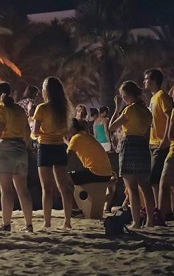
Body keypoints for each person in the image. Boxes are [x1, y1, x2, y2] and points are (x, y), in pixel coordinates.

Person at [0, 82, 33, 232]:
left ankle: (6, 224)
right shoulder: (20, 109)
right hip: (20, 148)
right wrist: (23, 146)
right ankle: (29, 224)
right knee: (23, 190)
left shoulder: (0, 108)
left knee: (6, 190)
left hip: (5, 148)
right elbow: (28, 132)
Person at [109, 81, 155, 228]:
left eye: (123, 96)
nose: (122, 99)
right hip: (142, 146)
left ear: (127, 95)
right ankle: (150, 221)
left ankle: (136, 221)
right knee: (146, 187)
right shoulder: (146, 111)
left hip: (129, 146)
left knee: (132, 188)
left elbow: (111, 127)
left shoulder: (129, 110)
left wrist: (117, 108)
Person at [32, 76, 74, 230]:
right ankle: (67, 221)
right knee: (64, 187)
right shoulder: (64, 108)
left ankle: (47, 222)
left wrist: (42, 131)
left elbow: (35, 132)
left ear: (46, 91)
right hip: (59, 147)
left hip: (45, 147)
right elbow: (66, 131)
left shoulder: (42, 108)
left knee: (47, 188)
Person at [67, 118, 114, 215]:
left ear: (72, 128)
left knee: (65, 178)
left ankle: (75, 208)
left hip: (95, 172)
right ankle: (78, 207)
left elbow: (66, 157)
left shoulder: (76, 138)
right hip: (106, 172)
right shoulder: (85, 136)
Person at [144, 69, 173, 208]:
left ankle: (158, 210)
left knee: (154, 179)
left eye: (146, 79)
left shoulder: (162, 96)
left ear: (154, 80)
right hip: (153, 142)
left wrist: (166, 139)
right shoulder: (153, 97)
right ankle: (160, 209)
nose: (144, 81)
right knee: (156, 179)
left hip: (160, 143)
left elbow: (169, 116)